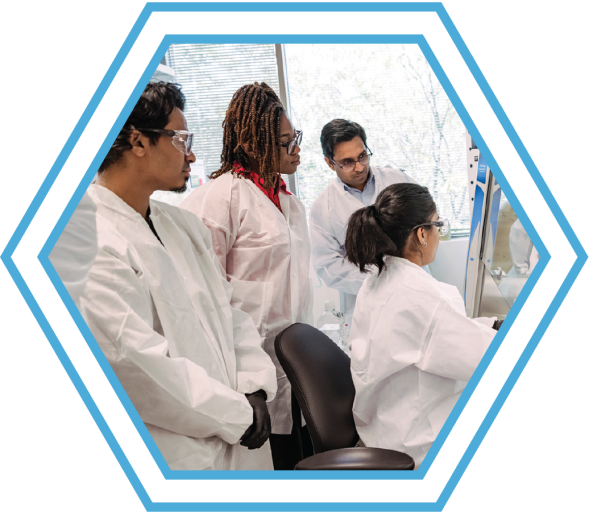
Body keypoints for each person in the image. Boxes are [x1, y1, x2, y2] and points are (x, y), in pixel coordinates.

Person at [80, 81, 277, 471]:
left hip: (240, 435)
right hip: (181, 450)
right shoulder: (89, 242)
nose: (191, 153)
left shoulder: (182, 224)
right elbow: (135, 367)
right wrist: (235, 415)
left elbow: (230, 310)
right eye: (179, 138)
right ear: (137, 141)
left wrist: (253, 386)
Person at [180, 82, 313, 470]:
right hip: (244, 368)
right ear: (256, 144)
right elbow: (204, 297)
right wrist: (242, 382)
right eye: (286, 142)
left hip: (293, 362)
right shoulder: (218, 201)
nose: (296, 149)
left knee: (297, 456)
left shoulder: (289, 202)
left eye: (295, 138)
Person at [345, 183, 500, 469]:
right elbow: (480, 359)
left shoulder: (380, 276)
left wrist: (490, 324)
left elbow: (439, 334)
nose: (439, 233)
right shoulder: (419, 296)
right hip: (417, 443)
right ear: (421, 234)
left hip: (383, 425)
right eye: (437, 224)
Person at [309, 119, 424, 324]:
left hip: (415, 291)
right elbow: (327, 265)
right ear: (329, 162)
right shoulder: (323, 207)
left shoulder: (397, 181)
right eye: (348, 162)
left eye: (362, 156)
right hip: (365, 303)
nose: (359, 167)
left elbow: (426, 223)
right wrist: (378, 279)